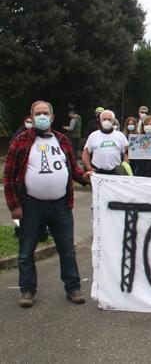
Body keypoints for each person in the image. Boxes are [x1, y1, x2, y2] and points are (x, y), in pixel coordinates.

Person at [3, 100, 92, 308]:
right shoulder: (21, 141)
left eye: (45, 113)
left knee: (67, 249)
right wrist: (14, 206)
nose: (41, 116)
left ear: (52, 118)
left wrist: (85, 177)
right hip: (31, 205)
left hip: (60, 205)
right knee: (26, 250)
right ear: (32, 117)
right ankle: (27, 290)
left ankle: (73, 288)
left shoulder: (62, 140)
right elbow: (9, 175)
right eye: (38, 113)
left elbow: (72, 167)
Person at [82, 110, 129, 175]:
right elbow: (86, 153)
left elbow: (126, 152)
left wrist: (125, 166)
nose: (107, 121)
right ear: (100, 121)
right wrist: (88, 167)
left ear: (113, 121)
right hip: (97, 172)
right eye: (104, 119)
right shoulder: (93, 135)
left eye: (109, 119)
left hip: (115, 173)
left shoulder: (120, 135)